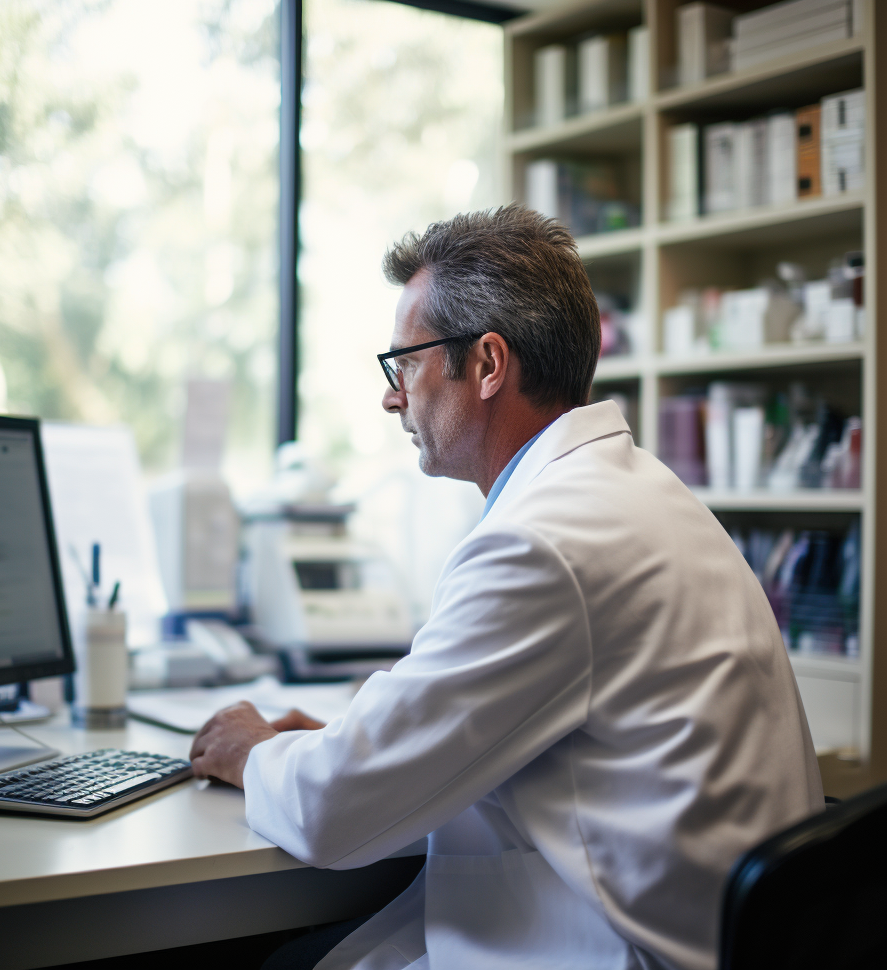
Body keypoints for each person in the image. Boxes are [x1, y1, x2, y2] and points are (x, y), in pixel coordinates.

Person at [190, 205, 823, 970]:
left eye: (407, 364)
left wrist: (251, 751)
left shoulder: (543, 542)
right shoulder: (633, 493)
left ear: (488, 365)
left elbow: (335, 812)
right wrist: (346, 744)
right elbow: (461, 731)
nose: (394, 397)